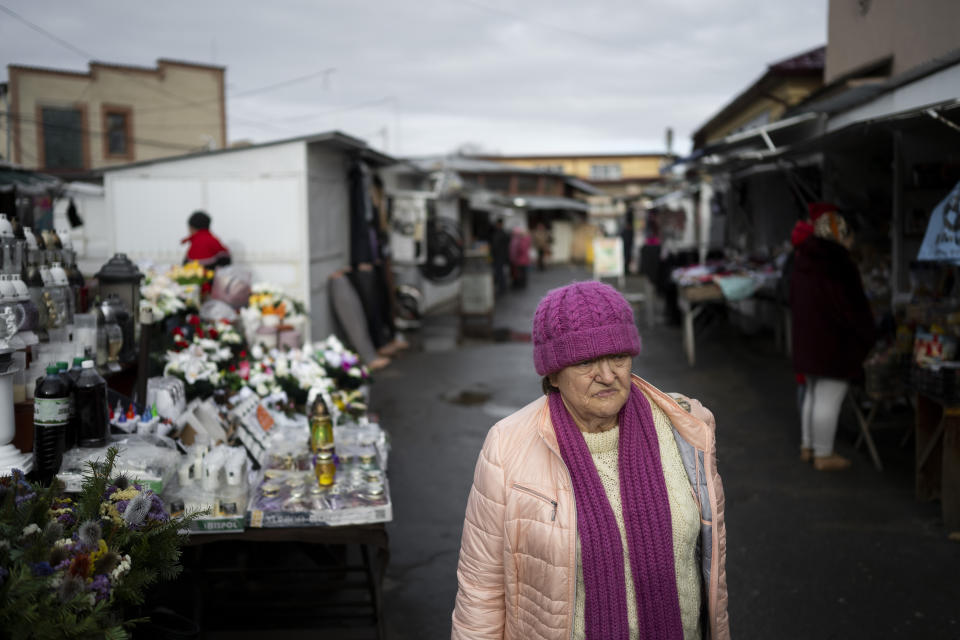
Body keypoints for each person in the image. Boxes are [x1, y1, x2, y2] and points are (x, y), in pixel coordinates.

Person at [451, 281, 729, 640]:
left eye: (618, 356)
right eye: (586, 361)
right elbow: (481, 592)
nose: (608, 376)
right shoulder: (507, 446)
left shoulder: (684, 427)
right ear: (552, 373)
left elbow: (712, 573)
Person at [790, 202, 876, 471]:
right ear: (839, 234)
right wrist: (868, 332)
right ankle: (824, 454)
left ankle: (809, 446)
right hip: (832, 345)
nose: (851, 242)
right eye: (848, 235)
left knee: (814, 394)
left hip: (808, 341)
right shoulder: (838, 263)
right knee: (828, 397)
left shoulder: (804, 258)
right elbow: (852, 308)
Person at [490, 218, 510, 295]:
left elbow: (499, 246)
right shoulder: (500, 233)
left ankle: (502, 287)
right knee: (499, 272)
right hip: (499, 256)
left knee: (500, 272)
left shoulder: (501, 233)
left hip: (499, 256)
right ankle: (502, 287)